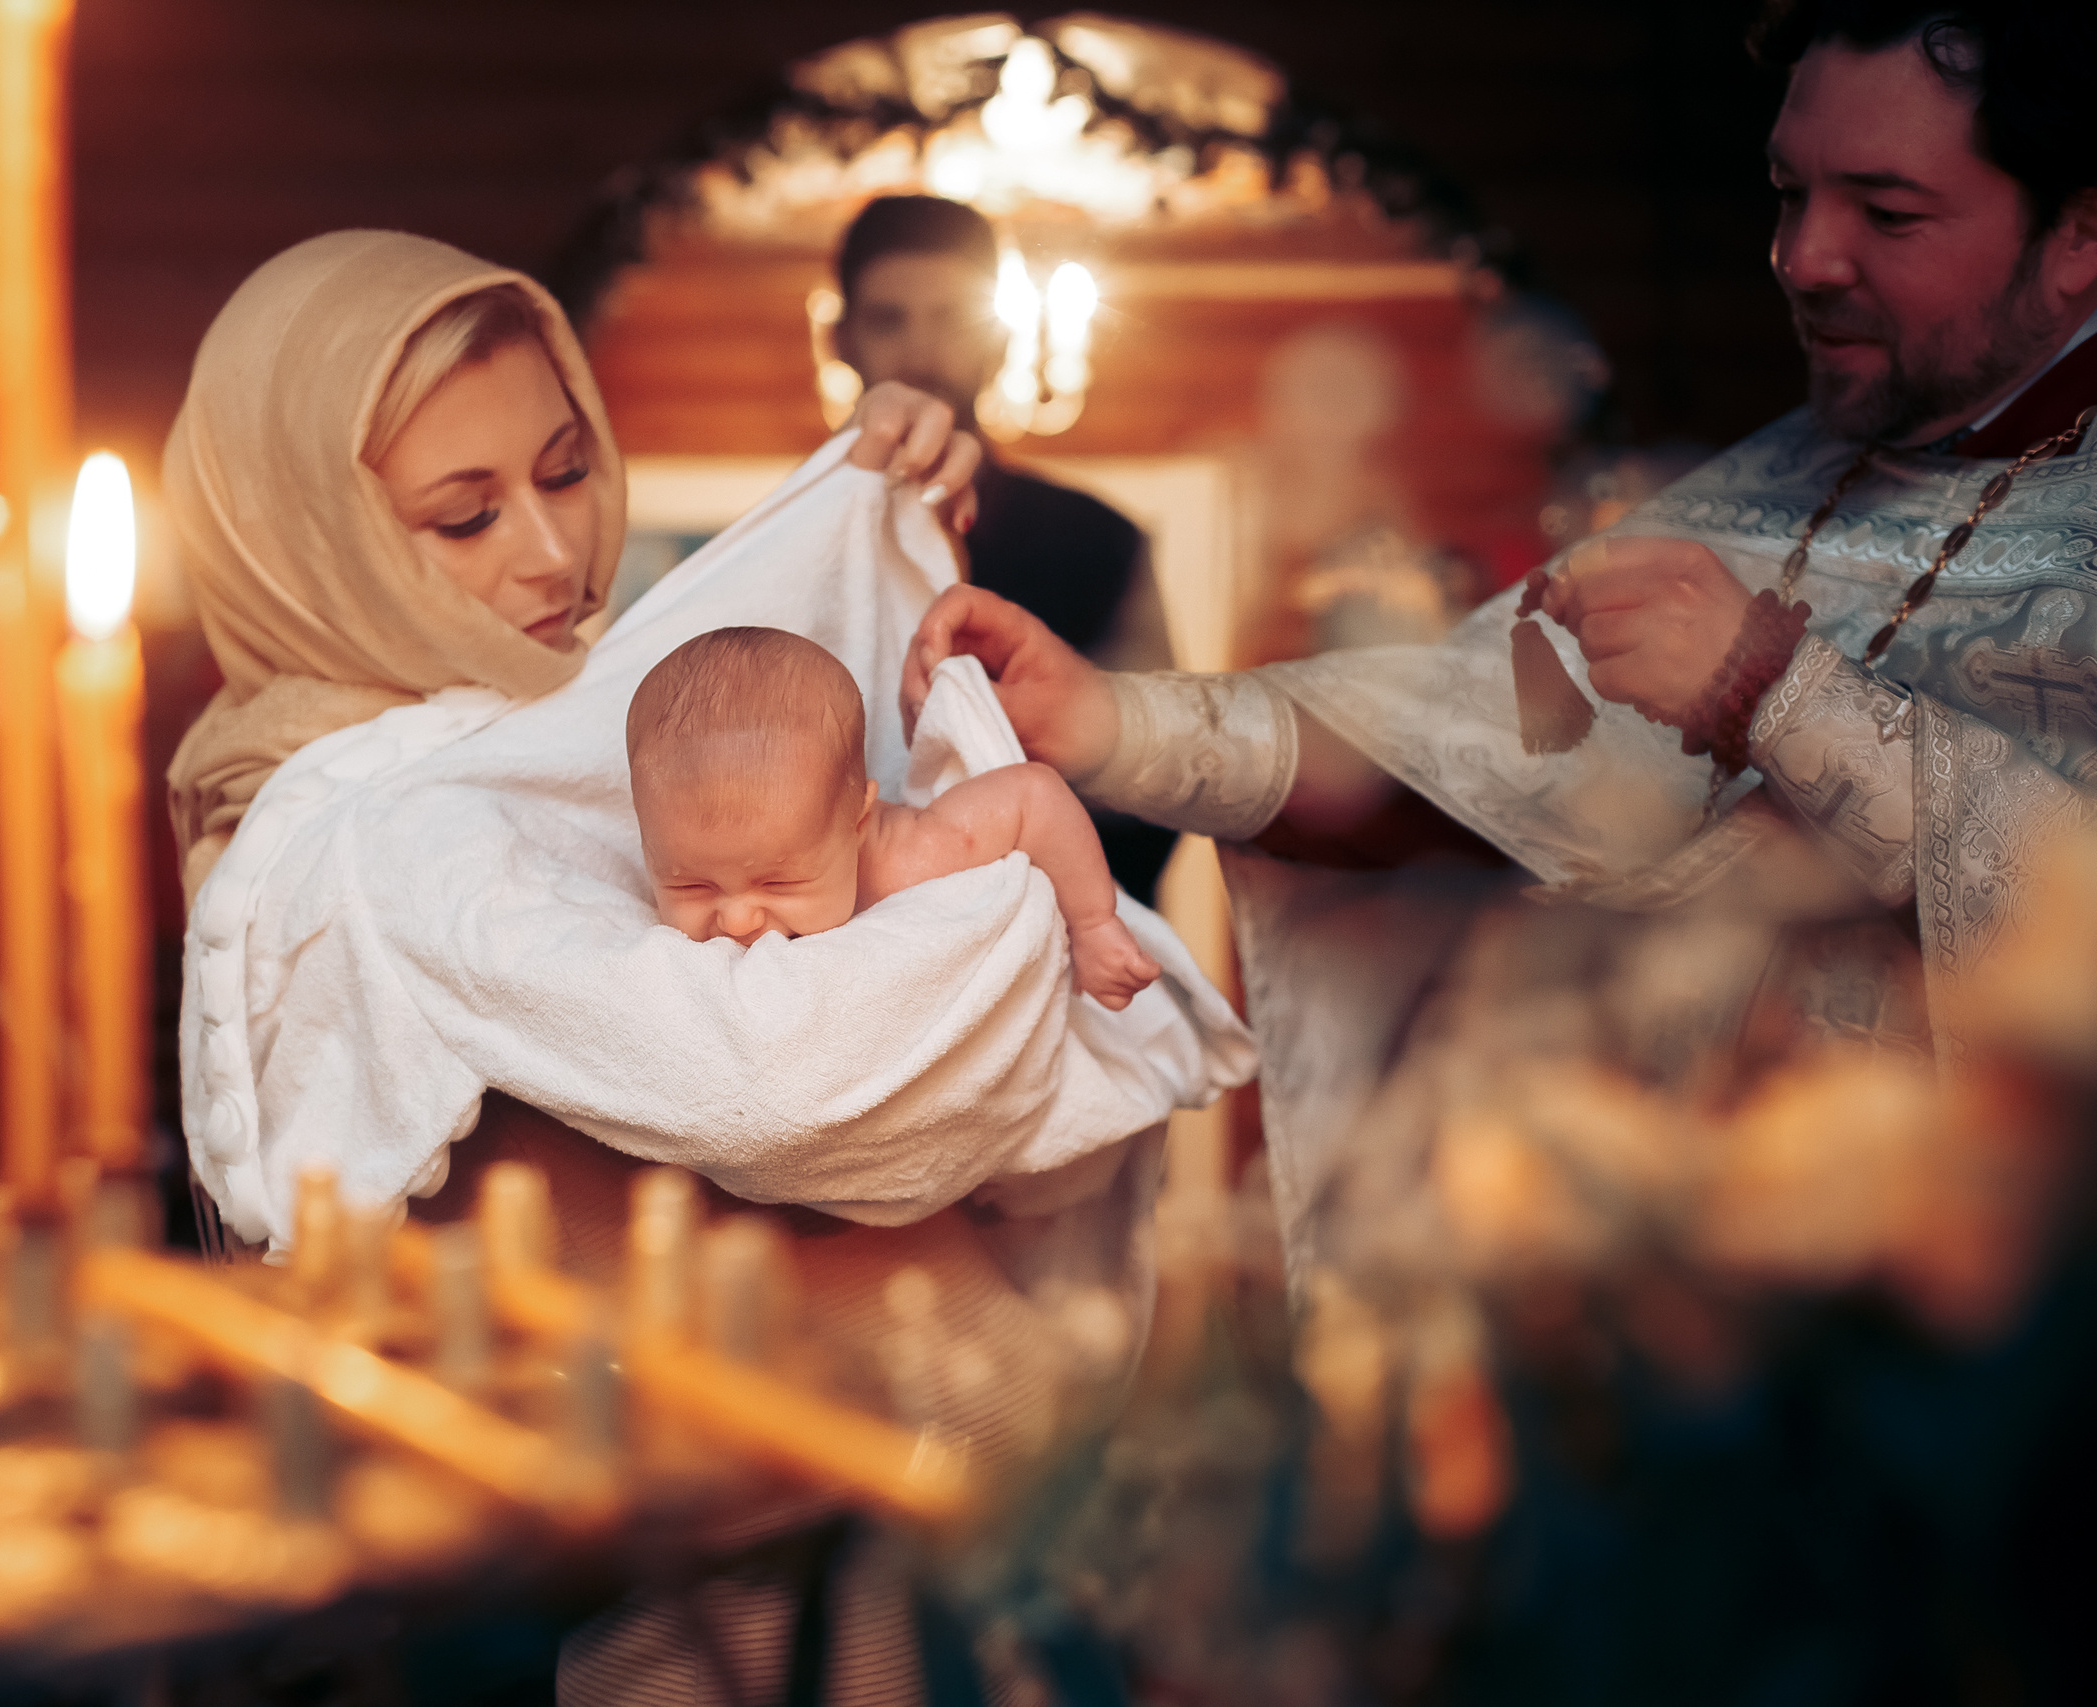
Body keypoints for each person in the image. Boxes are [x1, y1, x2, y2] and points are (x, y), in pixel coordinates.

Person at [903, 0, 2097, 1277]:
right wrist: (1108, 719)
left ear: (2079, 235)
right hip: (1659, 1294)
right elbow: (1450, 748)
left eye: (1886, 212)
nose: (1803, 257)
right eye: (1787, 193)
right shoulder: (1768, 488)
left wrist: (1778, 692)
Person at [164, 230, 1164, 1706]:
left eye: (567, 473)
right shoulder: (347, 828)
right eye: (462, 515)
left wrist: (884, 540)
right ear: (302, 534)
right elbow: (781, 1113)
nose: (553, 554)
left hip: (831, 1484)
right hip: (661, 1540)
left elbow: (807, 788)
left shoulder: (562, 735)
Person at [832, 194, 1183, 902]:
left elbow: (1159, 780)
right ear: (840, 342)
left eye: (952, 318)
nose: (922, 352)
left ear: (998, 341)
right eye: (888, 319)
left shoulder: (1101, 541)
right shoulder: (797, 547)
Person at [628, 625, 1161, 1006]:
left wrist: (1093, 924)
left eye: (780, 880)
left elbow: (1034, 796)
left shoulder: (917, 856)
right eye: (691, 885)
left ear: (857, 820)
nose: (737, 920)